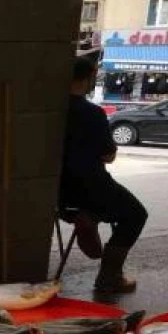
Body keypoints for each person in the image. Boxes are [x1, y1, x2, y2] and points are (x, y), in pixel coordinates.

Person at [61, 56, 148, 293]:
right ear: (88, 78)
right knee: (135, 214)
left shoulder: (50, 109)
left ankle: (88, 217)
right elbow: (108, 155)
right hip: (92, 186)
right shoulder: (92, 113)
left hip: (58, 192)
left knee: (105, 206)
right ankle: (109, 277)